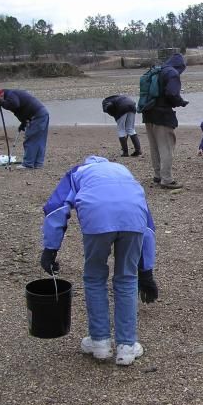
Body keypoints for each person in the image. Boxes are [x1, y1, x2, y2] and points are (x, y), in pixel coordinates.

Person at [40, 156, 159, 366]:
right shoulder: (124, 171)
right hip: (133, 217)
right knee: (127, 279)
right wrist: (146, 270)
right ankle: (127, 347)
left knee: (94, 277)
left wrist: (50, 249)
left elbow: (57, 208)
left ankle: (100, 343)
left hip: (97, 217)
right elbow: (147, 224)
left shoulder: (77, 172)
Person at [141, 53, 189, 189]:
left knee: (154, 146)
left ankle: (158, 176)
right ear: (181, 66)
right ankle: (167, 180)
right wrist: (181, 102)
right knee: (166, 147)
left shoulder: (158, 70)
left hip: (148, 113)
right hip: (162, 115)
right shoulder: (172, 73)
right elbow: (172, 93)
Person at [0, 89, 49, 169]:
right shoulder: (12, 95)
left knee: (30, 139)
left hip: (37, 115)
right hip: (42, 113)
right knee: (39, 140)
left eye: (1, 99)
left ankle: (28, 164)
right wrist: (23, 122)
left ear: (1, 95)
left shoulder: (10, 94)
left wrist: (2, 103)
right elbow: (20, 110)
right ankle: (38, 163)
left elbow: (14, 105)